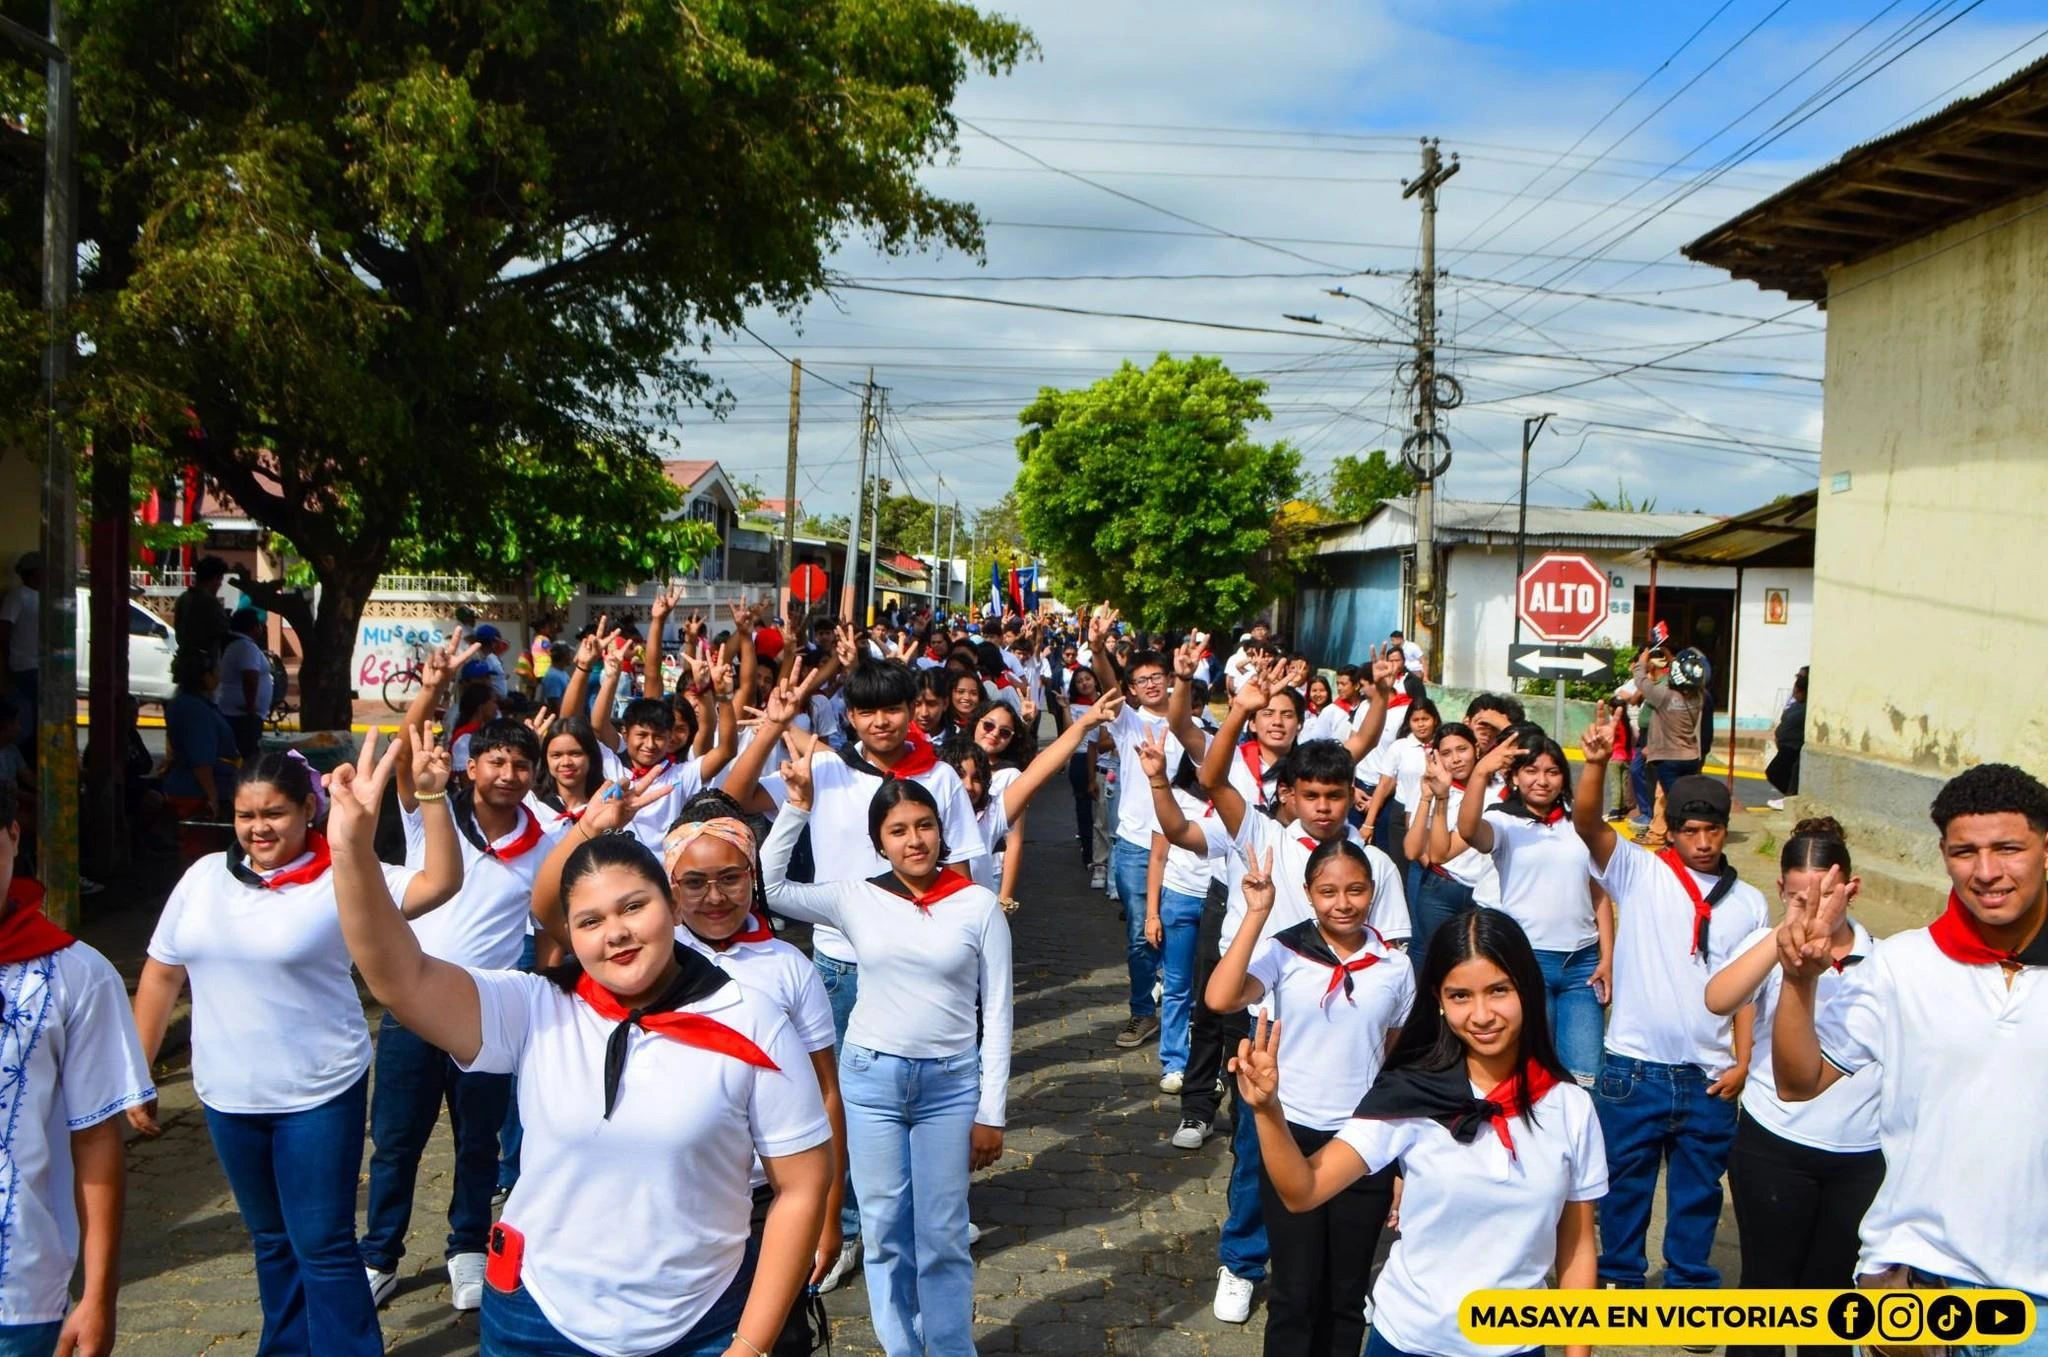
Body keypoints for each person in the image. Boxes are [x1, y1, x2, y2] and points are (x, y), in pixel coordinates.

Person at [325, 732, 832, 1357]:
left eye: (633, 907)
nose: (615, 933)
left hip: (701, 1322)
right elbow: (401, 978)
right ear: (570, 933)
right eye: (590, 921)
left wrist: (750, 1347)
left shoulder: (754, 1018)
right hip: (538, 1318)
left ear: (673, 907)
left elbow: (802, 1185)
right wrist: (349, 850)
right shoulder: (535, 1006)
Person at [129, 748, 460, 1356]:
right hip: (228, 1097)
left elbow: (438, 883)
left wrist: (434, 797)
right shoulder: (203, 878)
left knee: (322, 1243)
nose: (259, 829)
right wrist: (133, 1072)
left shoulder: (345, 873)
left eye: (275, 813)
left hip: (317, 1092)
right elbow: (160, 974)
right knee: (271, 1241)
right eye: (245, 815)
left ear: (309, 808)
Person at [719, 642, 986, 1295]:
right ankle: (839, 1224)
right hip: (838, 964)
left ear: (912, 709)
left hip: (918, 971)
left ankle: (918, 1227)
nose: (880, 723)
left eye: (892, 709)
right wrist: (788, 753)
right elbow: (740, 798)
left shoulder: (942, 779)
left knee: (917, 1100)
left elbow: (961, 875)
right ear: (852, 715)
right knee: (836, 1106)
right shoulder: (825, 767)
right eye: (866, 711)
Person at [1239, 907, 1604, 1357]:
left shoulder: (1571, 1108)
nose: (1483, 1014)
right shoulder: (1409, 1095)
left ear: (1526, 989)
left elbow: (1579, 1247)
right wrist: (1267, 1110)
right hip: (1408, 1342)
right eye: (1460, 996)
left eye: (1499, 990)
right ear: (1439, 1001)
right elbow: (1304, 1189)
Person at [1772, 763, 2048, 1349]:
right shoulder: (1902, 965)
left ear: (2046, 847)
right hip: (1914, 1287)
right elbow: (1798, 1084)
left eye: (2008, 848)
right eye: (1964, 852)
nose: (1988, 871)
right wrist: (1799, 985)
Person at [1181, 664, 1410, 1325]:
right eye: (1311, 793)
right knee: (1259, 1154)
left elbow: (1392, 962)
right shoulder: (1264, 836)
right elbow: (1212, 779)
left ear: (1351, 796)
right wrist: (1238, 709)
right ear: (1291, 794)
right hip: (1271, 1026)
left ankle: (1346, 1276)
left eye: (1336, 794)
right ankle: (1244, 1261)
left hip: (1353, 1042)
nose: (1323, 806)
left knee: (1352, 1162)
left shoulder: (1377, 867)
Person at [763, 756, 1012, 1357]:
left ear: (941, 829)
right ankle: (902, 1346)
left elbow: (999, 1013)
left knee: (943, 1232)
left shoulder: (977, 904)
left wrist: (992, 1111)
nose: (914, 840)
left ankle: (950, 1346)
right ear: (879, 841)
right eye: (898, 830)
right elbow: (768, 887)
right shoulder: (856, 898)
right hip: (870, 1079)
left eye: (924, 825)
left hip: (951, 1086)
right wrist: (797, 806)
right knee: (884, 1230)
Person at [360, 718, 568, 1312]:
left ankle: (468, 1248)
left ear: (535, 775)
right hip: (411, 1005)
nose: (508, 775)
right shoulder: (433, 814)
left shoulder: (544, 844)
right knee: (397, 1140)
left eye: (521, 766)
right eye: (495, 762)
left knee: (478, 1141)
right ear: (470, 767)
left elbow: (549, 927)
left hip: (487, 1014)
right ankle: (380, 1254)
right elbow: (406, 755)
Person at [1572, 713, 1768, 1291]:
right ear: (1671, 829)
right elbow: (1587, 823)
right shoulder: (1638, 870)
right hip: (1635, 1067)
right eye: (1691, 831)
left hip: (1709, 1073)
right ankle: (1620, 1279)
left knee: (1698, 1191)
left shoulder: (1751, 903)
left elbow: (1748, 990)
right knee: (1624, 1185)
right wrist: (1595, 764)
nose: (1703, 843)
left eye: (1713, 831)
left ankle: (1688, 1284)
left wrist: (1744, 1059)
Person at [1207, 840, 1413, 1357]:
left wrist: (1402, 1164)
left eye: (1355, 890)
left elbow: (1394, 1061)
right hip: (1290, 1135)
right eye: (1327, 891)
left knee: (1345, 1294)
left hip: (1364, 1143)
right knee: (1295, 1291)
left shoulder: (1394, 965)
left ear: (1374, 891)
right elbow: (1220, 997)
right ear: (1308, 894)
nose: (1342, 902)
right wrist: (1257, 912)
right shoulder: (1286, 950)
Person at [666, 792, 847, 1357]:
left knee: (780, 1336)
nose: (714, 896)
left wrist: (827, 1211)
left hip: (771, 1196)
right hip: (674, 1194)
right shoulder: (649, 959)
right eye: (694, 881)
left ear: (754, 876)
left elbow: (826, 1093)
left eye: (730, 878)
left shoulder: (788, 967)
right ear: (670, 886)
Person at [1704, 818, 1880, 1357]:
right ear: (1781, 890)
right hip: (1774, 1144)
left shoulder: (1886, 960)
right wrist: (1785, 935)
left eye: (1827, 895)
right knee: (1764, 1295)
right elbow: (1718, 998)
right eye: (1799, 896)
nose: (1814, 908)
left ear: (1851, 888)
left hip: (1859, 1153)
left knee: (1830, 1304)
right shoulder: (1768, 943)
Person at [0, 779, 154, 1357]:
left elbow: (95, 1138)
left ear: (15, 836)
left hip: (19, 1296)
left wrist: (98, 1297)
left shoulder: (75, 974)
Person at [1455, 732, 1610, 1084]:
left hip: (1582, 966)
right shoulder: (1503, 823)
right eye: (1531, 771)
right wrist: (1480, 772)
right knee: (1532, 1070)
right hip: (1528, 961)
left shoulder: (1580, 826)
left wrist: (1608, 958)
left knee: (1585, 1075)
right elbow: (1467, 831)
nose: (1542, 780)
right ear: (1514, 777)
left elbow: (1598, 894)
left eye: (1553, 771)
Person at [1406, 721, 1497, 961]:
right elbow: (1412, 849)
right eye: (1446, 753)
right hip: (1441, 890)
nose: (1455, 759)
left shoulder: (1499, 789)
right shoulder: (1432, 786)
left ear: (1477, 748)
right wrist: (1430, 797)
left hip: (1487, 891)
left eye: (1462, 749)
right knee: (1437, 961)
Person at [161, 652, 240, 823]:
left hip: (195, 788)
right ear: (206, 677)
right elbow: (201, 760)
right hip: (196, 793)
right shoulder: (195, 709)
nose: (219, 677)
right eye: (216, 672)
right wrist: (212, 796)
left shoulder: (189, 703)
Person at [216, 608, 274, 763]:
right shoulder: (246, 647)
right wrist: (251, 706)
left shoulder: (239, 645)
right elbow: (250, 677)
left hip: (239, 711)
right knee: (250, 757)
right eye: (260, 625)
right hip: (242, 714)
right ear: (253, 627)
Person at [0, 551, 42, 757]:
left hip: (39, 666)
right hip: (25, 665)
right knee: (27, 722)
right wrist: (8, 661)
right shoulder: (18, 596)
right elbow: (4, 630)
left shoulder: (42, 596)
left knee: (39, 719)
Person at [173, 555, 232, 678]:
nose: (220, 585)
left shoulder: (184, 598)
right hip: (203, 666)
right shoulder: (209, 602)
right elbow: (222, 630)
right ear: (215, 578)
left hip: (183, 661)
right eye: (220, 580)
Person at [1765, 668, 1807, 811]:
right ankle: (1789, 797)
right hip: (1785, 745)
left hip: (1793, 746)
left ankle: (1790, 798)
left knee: (1777, 772)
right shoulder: (1795, 704)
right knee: (1778, 772)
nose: (1795, 693)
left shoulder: (1806, 708)